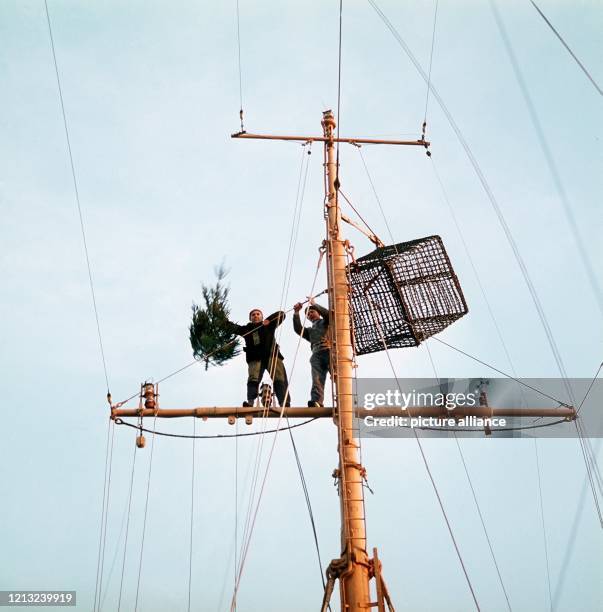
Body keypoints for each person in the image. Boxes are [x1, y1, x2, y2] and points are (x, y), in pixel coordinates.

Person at [228, 308, 291, 408]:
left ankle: (284, 402)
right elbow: (231, 327)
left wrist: (269, 320)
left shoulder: (269, 325)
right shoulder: (246, 329)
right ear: (250, 318)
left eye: (258, 314)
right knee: (253, 379)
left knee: (279, 377)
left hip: (272, 356)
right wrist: (221, 320)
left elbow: (282, 314)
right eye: (253, 315)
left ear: (261, 316)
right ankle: (250, 402)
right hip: (255, 358)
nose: (256, 316)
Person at [293, 298, 330, 407]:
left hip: (329, 351)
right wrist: (296, 313)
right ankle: (317, 401)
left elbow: (328, 314)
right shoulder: (309, 331)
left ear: (318, 313)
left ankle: (347, 397)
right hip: (316, 354)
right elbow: (298, 329)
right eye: (308, 314)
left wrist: (315, 304)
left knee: (338, 374)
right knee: (317, 379)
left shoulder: (326, 322)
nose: (310, 314)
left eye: (312, 312)